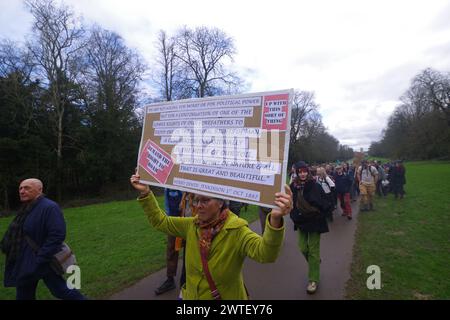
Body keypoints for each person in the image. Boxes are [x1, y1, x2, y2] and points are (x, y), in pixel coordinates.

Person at [130, 172, 293, 300]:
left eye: (205, 201)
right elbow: (160, 221)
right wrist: (146, 193)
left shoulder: (237, 230)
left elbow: (266, 254)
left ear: (220, 203)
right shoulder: (191, 225)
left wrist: (276, 219)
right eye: (196, 201)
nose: (198, 206)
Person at [0, 179, 86, 300]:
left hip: (42, 261)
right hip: (25, 261)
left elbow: (57, 235)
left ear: (40, 190)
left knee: (61, 291)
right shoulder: (26, 209)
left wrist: (40, 258)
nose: (22, 191)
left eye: (27, 188)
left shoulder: (49, 207)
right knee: (24, 295)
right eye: (20, 188)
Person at [289, 161, 329, 294]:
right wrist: (294, 216)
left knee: (313, 250)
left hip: (314, 222)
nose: (303, 174)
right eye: (300, 171)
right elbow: (291, 203)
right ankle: (315, 261)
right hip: (301, 222)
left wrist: (320, 213)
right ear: (297, 173)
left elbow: (324, 202)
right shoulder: (293, 186)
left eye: (304, 171)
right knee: (302, 248)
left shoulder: (315, 186)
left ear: (308, 171)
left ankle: (313, 280)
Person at [155, 188, 184, 295]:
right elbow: (167, 201)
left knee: (191, 251)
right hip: (173, 221)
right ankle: (170, 280)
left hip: (189, 220)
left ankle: (187, 280)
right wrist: (167, 218)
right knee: (171, 250)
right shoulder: (168, 185)